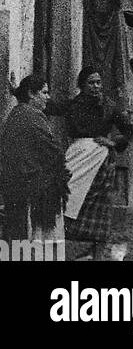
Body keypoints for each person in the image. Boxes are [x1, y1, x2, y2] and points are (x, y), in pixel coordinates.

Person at [48, 66, 133, 260]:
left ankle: (98, 256)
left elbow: (129, 131)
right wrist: (17, 92)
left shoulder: (110, 106)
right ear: (81, 85)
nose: (96, 86)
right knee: (66, 199)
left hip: (101, 162)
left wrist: (112, 142)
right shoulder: (73, 105)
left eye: (98, 82)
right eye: (91, 82)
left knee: (101, 209)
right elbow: (49, 106)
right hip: (77, 157)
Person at [0, 74, 70, 250]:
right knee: (33, 239)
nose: (47, 97)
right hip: (29, 187)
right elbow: (53, 152)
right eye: (44, 93)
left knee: (15, 237)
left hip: (12, 185)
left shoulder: (16, 113)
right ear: (32, 94)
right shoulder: (33, 117)